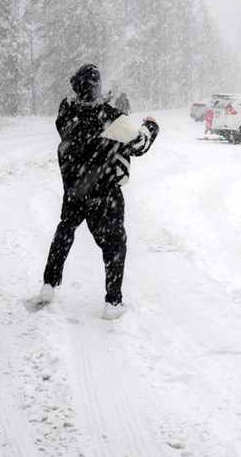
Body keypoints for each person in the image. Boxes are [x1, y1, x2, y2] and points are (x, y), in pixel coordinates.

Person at [39, 64, 159, 319]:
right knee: (114, 244)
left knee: (65, 231)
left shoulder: (66, 111)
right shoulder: (110, 117)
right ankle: (113, 302)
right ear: (97, 87)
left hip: (74, 189)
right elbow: (138, 144)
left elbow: (83, 131)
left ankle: (49, 285)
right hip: (104, 193)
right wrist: (151, 127)